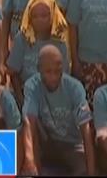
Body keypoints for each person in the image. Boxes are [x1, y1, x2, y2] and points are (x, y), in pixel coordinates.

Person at [21, 45, 95, 176]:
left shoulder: (74, 87)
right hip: (47, 142)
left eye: (58, 71)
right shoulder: (32, 86)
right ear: (39, 69)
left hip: (73, 144)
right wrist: (29, 160)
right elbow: (29, 122)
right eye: (48, 72)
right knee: (29, 133)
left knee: (82, 169)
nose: (53, 77)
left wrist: (91, 173)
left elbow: (86, 129)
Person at [7, 0, 70, 105]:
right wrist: (22, 101)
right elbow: (13, 74)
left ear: (52, 16)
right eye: (35, 16)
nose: (39, 20)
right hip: (25, 94)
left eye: (44, 15)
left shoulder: (60, 42)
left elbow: (64, 76)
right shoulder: (22, 39)